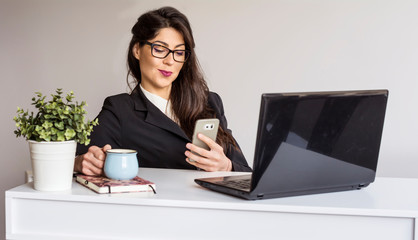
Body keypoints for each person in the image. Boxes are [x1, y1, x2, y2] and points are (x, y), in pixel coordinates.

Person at [74, 6, 251, 175]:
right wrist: (81, 163)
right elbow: (77, 159)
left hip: (213, 205)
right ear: (137, 50)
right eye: (160, 49)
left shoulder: (209, 102)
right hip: (160, 205)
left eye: (179, 53)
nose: (170, 61)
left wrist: (226, 166)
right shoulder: (120, 110)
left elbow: (246, 173)